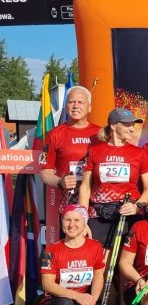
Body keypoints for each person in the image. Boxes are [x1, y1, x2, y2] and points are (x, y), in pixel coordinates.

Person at [39, 204, 104, 305]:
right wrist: (78, 296)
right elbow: (47, 284)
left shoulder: (95, 246)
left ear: (85, 223)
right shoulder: (51, 250)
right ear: (62, 222)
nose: (71, 224)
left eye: (77, 220)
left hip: (80, 302)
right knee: (65, 304)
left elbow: (98, 276)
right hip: (54, 304)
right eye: (67, 220)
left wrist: (93, 299)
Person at [79, 108, 148, 248]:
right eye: (127, 125)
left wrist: (137, 207)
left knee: (125, 259)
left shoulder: (139, 153)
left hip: (129, 215)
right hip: (98, 216)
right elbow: (85, 187)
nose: (132, 129)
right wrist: (82, 218)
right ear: (113, 126)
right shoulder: (95, 151)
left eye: (133, 125)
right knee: (99, 259)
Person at [40, 86, 101, 216]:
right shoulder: (53, 134)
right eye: (71, 102)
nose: (75, 106)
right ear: (66, 106)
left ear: (89, 107)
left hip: (98, 204)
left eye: (80, 102)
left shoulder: (101, 134)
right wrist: (60, 182)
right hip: (69, 203)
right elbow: (45, 173)